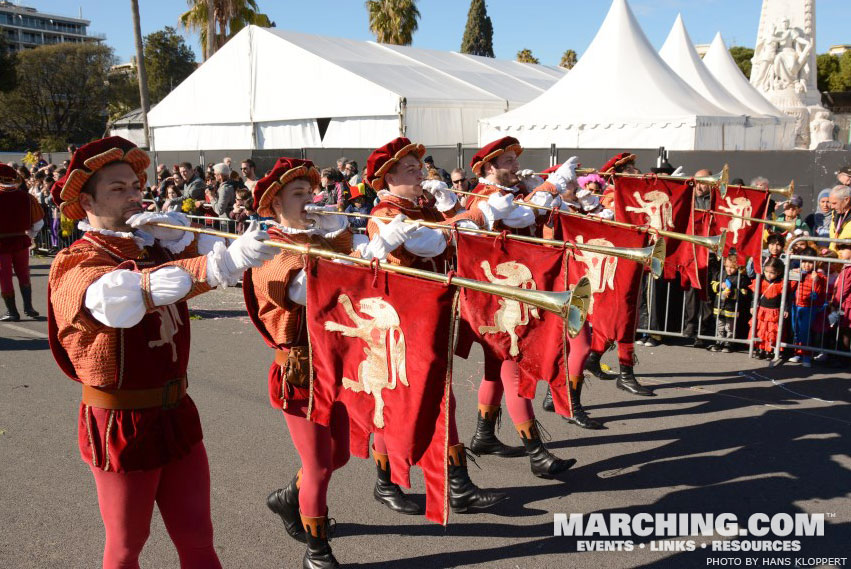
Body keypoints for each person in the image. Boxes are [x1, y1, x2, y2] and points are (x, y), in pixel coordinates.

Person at [47, 136, 276, 569]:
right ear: (85, 200)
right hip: (122, 421)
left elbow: (205, 258)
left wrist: (186, 239)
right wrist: (218, 265)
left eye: (136, 185)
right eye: (118, 188)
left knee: (198, 537)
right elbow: (126, 296)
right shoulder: (75, 262)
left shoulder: (151, 246)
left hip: (176, 410)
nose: (135, 194)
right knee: (126, 546)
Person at [363, 136, 510, 512]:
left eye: (419, 166)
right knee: (405, 401)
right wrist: (472, 215)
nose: (420, 173)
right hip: (404, 320)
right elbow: (430, 245)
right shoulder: (384, 213)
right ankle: (414, 481)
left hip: (434, 314)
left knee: (436, 396)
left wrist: (451, 208)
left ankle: (445, 481)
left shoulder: (421, 207)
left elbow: (458, 239)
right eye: (409, 169)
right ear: (388, 176)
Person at [244, 158, 354, 568]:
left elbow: (345, 259)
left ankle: (288, 497)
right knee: (320, 465)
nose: (309, 200)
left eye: (310, 192)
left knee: (338, 456)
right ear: (273, 204)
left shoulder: (313, 237)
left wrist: (339, 235)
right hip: (301, 368)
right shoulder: (271, 250)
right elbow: (313, 291)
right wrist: (354, 256)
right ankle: (317, 549)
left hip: (334, 362)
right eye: (297, 195)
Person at [0, 164, 44, 321]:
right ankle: (29, 307)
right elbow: (39, 223)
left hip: (1, 245)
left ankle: (12, 312)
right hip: (20, 241)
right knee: (23, 274)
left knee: (5, 277)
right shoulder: (27, 197)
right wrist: (31, 234)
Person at [788, 246, 826, 367]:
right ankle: (797, 352)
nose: (806, 265)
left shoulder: (818, 276)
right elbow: (790, 288)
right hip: (795, 305)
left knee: (805, 331)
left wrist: (816, 280)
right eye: (804, 261)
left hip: (809, 308)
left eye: (810, 262)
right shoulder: (796, 271)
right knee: (796, 330)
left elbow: (819, 292)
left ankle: (806, 356)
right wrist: (795, 276)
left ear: (815, 263)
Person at [709, 254, 751, 353]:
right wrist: (720, 285)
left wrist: (732, 291)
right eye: (727, 266)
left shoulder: (740, 277)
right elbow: (713, 285)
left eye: (732, 267)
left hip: (731, 307)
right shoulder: (720, 274)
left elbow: (744, 292)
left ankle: (729, 342)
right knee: (720, 324)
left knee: (729, 326)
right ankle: (719, 341)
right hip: (719, 305)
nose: (729, 269)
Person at [750, 257, 786, 359]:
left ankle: (769, 350)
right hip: (762, 310)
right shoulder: (760, 281)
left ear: (778, 272)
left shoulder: (781, 283)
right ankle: (760, 348)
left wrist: (786, 309)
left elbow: (786, 297)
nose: (768, 274)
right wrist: (752, 305)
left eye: (772, 272)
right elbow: (754, 294)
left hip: (774, 311)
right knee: (761, 329)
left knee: (772, 331)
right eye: (766, 271)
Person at [829, 242, 851, 354]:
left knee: (845, 331)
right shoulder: (846, 266)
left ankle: (843, 357)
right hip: (844, 304)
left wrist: (835, 302)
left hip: (847, 305)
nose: (840, 252)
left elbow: (843, 289)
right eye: (839, 249)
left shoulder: (849, 268)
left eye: (844, 249)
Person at [828, 185, 851, 249]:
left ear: (846, 200)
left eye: (834, 203)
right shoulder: (835, 213)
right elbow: (833, 237)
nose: (832, 207)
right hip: (834, 256)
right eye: (831, 203)